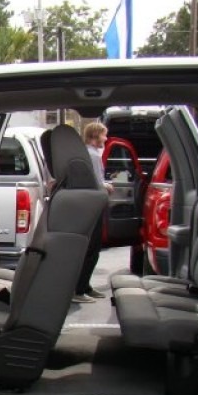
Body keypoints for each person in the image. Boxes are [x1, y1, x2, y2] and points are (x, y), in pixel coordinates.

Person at [72, 121, 114, 303]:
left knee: (89, 248)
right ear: (95, 136)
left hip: (85, 205)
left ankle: (84, 286)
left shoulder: (84, 153)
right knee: (92, 248)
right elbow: (96, 182)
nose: (106, 138)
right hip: (94, 204)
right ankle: (79, 289)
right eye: (104, 135)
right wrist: (107, 186)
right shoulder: (94, 155)